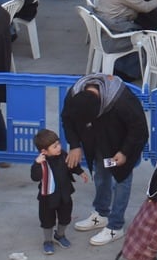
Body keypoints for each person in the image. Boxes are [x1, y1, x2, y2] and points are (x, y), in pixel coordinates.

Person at [61, 71, 149, 247]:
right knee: (101, 174)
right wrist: (74, 145)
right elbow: (67, 119)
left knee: (121, 179)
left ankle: (116, 226)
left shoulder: (122, 100)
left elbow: (139, 129)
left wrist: (124, 152)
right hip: (98, 144)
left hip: (121, 146)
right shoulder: (74, 94)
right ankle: (101, 213)